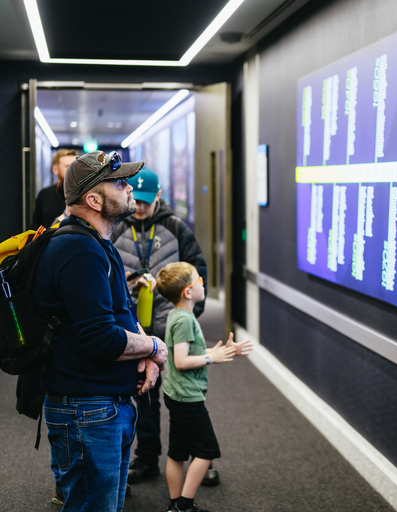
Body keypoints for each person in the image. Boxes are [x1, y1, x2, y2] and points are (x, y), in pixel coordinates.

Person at [35, 150, 168, 511]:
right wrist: (156, 345)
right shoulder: (78, 251)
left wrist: (150, 355)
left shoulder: (97, 244)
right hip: (88, 413)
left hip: (106, 408)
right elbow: (100, 338)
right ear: (93, 199)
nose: (129, 188)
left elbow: (121, 313)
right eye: (120, 182)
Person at [110, 168, 216, 485]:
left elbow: (198, 272)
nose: (140, 208)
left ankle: (200, 457)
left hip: (173, 325)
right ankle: (148, 458)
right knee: (146, 394)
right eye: (136, 201)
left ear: (158, 196)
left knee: (187, 395)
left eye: (146, 201)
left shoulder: (175, 227)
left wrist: (190, 318)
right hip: (136, 328)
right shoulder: (117, 227)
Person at [155, 262, 253, 512]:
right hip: (187, 398)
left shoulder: (179, 315)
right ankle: (185, 506)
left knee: (177, 452)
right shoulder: (185, 321)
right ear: (188, 292)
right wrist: (212, 358)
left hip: (176, 394)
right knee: (207, 450)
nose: (203, 281)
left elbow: (190, 352)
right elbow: (181, 361)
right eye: (198, 279)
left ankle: (175, 504)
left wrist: (224, 351)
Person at [31, 148, 77, 229]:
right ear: (55, 169)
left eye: (75, 166)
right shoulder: (44, 194)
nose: (73, 170)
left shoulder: (82, 194)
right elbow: (35, 226)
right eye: (68, 166)